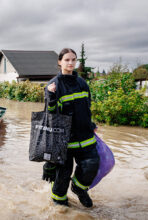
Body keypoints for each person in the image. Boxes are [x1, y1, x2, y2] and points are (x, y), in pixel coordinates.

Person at [43, 48, 99, 207]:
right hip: (64, 140)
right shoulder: (53, 85)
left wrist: (91, 124)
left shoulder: (82, 83)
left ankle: (79, 189)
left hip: (85, 135)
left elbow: (87, 107)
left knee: (92, 164)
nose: (71, 63)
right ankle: (60, 207)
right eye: (67, 60)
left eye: (73, 59)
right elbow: (50, 116)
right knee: (62, 177)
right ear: (60, 62)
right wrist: (52, 96)